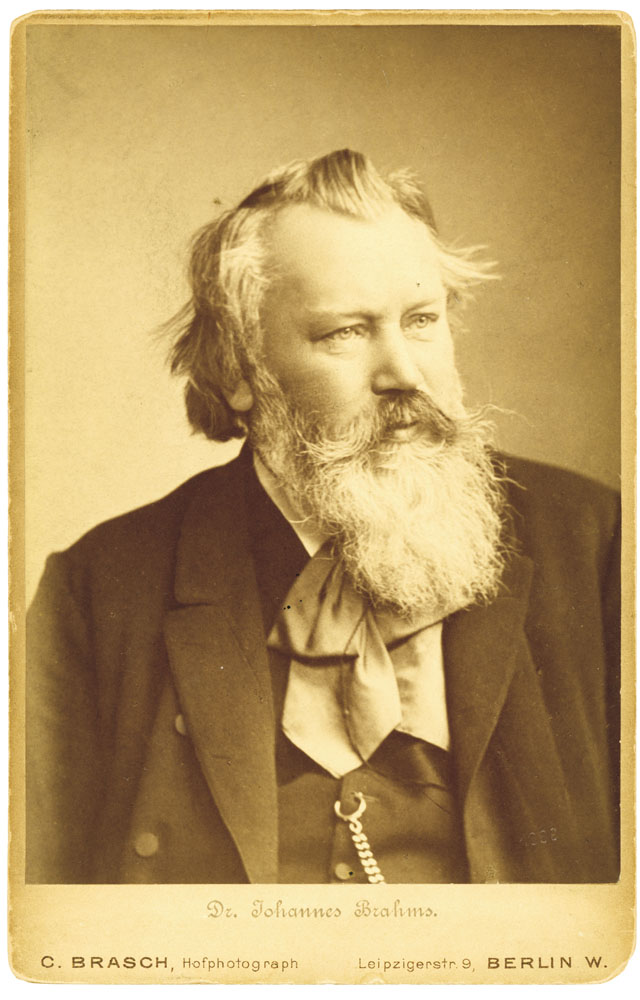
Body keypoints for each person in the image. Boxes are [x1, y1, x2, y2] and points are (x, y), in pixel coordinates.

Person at [26, 149, 620, 885]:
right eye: (346, 332)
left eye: (422, 320)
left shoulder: (596, 544)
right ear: (241, 371)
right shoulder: (98, 591)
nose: (405, 374)